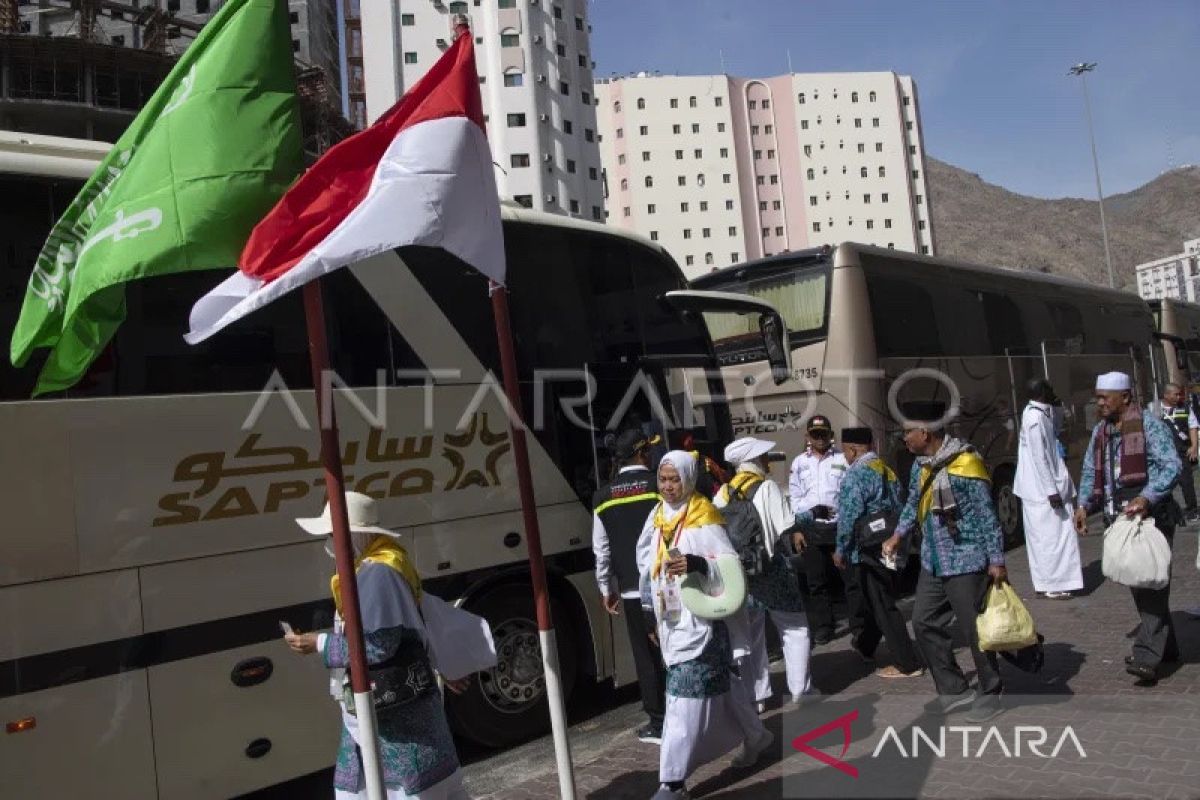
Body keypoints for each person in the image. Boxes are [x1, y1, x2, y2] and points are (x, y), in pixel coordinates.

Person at [283, 492, 477, 800]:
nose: (330, 542)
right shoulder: (384, 564)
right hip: (383, 714)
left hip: (395, 719)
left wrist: (318, 643)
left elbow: (379, 646)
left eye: (334, 534)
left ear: (353, 535)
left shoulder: (376, 574)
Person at [637, 451, 772, 800]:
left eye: (674, 479)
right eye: (663, 479)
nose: (668, 487)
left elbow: (730, 568)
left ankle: (672, 782)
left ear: (689, 478)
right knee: (728, 686)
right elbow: (645, 566)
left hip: (705, 626)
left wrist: (697, 564)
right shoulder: (656, 516)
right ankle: (756, 736)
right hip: (672, 620)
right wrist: (650, 610)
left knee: (682, 698)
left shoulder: (704, 515)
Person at [882, 402, 1007, 722]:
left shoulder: (966, 464)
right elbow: (913, 504)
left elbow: (986, 515)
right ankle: (954, 690)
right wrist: (898, 535)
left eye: (907, 432)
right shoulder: (921, 466)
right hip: (933, 561)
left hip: (966, 560)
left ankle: (992, 693)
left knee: (974, 630)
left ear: (925, 432)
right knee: (923, 622)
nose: (904, 438)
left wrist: (996, 560)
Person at [1075, 372, 1182, 685]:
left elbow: (1171, 466)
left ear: (1125, 397)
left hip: (1153, 516)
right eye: (1098, 396)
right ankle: (1168, 648)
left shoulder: (1149, 425)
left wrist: (1147, 497)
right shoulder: (1102, 431)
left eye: (1105, 397)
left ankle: (1147, 656)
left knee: (1151, 582)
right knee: (1142, 583)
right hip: (1119, 516)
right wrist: (1083, 505)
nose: (1100, 402)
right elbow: (1087, 471)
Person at [715, 436, 813, 711]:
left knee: (751, 634)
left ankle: (756, 696)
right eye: (764, 456)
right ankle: (800, 690)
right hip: (770, 570)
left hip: (739, 574)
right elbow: (785, 526)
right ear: (755, 460)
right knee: (795, 627)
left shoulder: (722, 492)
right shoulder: (767, 487)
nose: (768, 461)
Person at [829, 427, 924, 678]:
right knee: (875, 598)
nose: (845, 456)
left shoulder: (855, 475)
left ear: (852, 449)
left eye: (845, 450)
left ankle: (907, 662)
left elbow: (848, 516)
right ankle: (865, 645)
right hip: (889, 544)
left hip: (866, 549)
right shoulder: (885, 469)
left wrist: (840, 549)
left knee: (881, 602)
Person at [592, 428, 667, 743]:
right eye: (647, 450)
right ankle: (687, 710)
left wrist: (605, 588)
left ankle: (658, 723)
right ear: (642, 454)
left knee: (645, 657)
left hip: (632, 591)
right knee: (675, 648)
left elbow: (602, 549)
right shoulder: (658, 485)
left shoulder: (603, 496)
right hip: (667, 584)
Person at [1014, 379, 1083, 599]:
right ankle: (1051, 584)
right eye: (1050, 389)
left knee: (1059, 535)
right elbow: (1039, 456)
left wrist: (1059, 405)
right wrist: (1050, 490)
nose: (1053, 392)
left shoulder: (1042, 412)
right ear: (1042, 393)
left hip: (1050, 486)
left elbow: (1057, 426)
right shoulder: (1033, 418)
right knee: (1049, 539)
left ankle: (1060, 580)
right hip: (1041, 491)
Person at [789, 415, 854, 644]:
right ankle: (825, 626)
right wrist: (797, 529)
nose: (819, 438)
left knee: (850, 579)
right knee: (816, 582)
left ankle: (859, 626)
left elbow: (850, 494)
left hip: (839, 527)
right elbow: (795, 499)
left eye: (823, 434)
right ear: (808, 436)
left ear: (830, 435)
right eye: (815, 434)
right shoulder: (799, 463)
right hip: (811, 529)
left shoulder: (842, 459)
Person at [1150, 381, 1199, 524]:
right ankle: (1165, 511)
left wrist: (1194, 446)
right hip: (1162, 453)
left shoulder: (1185, 408)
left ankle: (1192, 510)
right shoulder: (1154, 409)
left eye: (1179, 394)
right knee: (1164, 483)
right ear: (1166, 395)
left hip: (1182, 451)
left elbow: (1193, 427)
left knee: (1187, 482)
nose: (1179, 397)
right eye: (1175, 394)